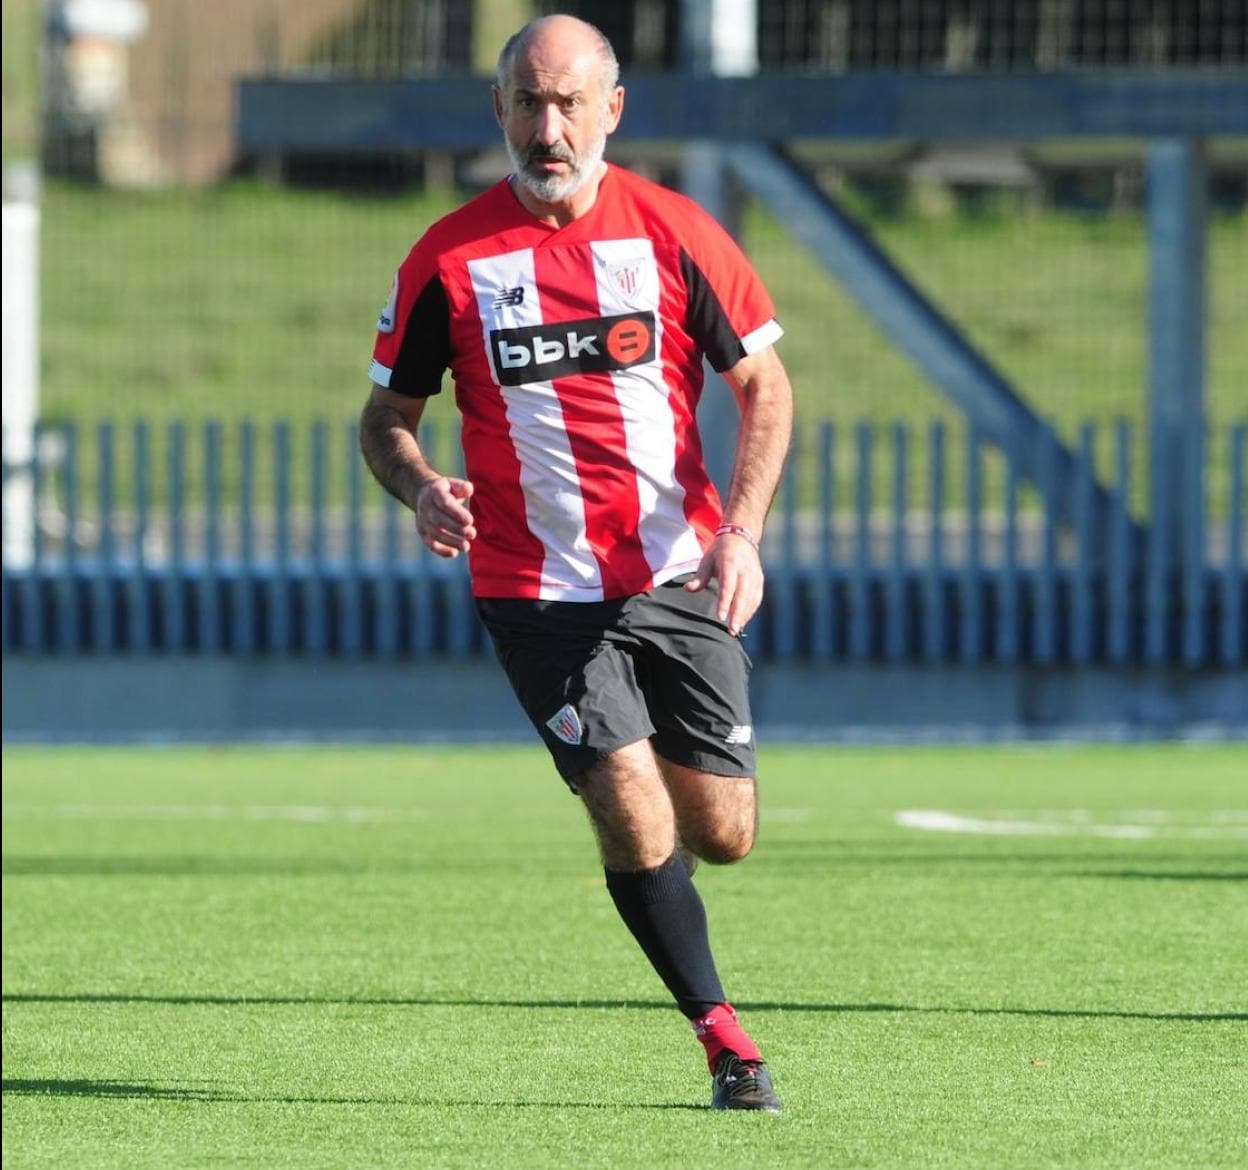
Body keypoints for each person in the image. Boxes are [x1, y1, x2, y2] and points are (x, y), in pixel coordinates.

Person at [360, 13, 793, 1113]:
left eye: (567, 103)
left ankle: (685, 874)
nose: (547, 128)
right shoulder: (448, 257)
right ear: (498, 110)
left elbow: (766, 389)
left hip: (680, 573)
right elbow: (384, 418)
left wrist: (741, 531)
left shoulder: (677, 231)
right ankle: (726, 1042)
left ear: (611, 109)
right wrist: (419, 485)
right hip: (534, 593)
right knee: (632, 810)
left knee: (722, 833)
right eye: (526, 103)